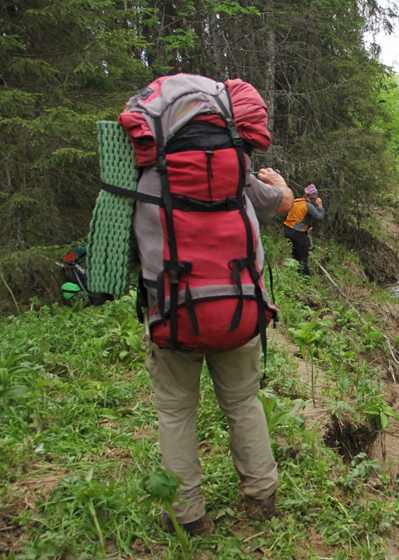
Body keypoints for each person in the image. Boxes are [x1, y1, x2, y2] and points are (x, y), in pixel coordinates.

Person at [121, 74, 294, 538]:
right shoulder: (235, 164)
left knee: (176, 412)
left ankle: (187, 516)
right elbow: (277, 205)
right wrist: (283, 188)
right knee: (242, 401)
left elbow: (123, 233)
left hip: (173, 312)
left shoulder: (147, 168)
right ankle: (262, 495)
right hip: (239, 308)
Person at [283, 183, 325, 276]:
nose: (316, 197)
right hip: (297, 233)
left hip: (287, 229)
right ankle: (305, 278)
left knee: (294, 253)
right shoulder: (308, 206)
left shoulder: (296, 201)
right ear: (311, 196)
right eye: (315, 195)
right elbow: (319, 217)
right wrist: (320, 206)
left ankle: (293, 274)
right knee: (303, 257)